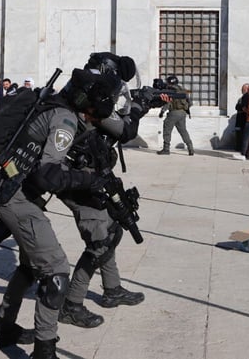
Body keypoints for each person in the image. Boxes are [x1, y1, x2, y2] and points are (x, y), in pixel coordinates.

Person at [0, 67, 122, 359]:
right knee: (56, 270)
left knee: (29, 267)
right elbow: (48, 175)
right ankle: (44, 350)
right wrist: (90, 180)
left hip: (15, 194)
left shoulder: (53, 107)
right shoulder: (64, 120)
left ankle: (2, 330)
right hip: (19, 200)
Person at [57, 53, 146, 329]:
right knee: (100, 240)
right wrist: (138, 107)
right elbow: (124, 130)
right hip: (77, 179)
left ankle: (112, 289)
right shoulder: (89, 99)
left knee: (111, 227)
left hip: (86, 174)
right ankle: (72, 304)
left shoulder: (80, 91)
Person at [156, 75, 193, 156]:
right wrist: (184, 109)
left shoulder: (170, 91)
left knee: (167, 130)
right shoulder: (183, 90)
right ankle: (190, 148)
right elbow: (190, 103)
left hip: (174, 113)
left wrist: (162, 112)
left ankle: (166, 149)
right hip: (182, 113)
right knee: (183, 131)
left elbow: (167, 103)